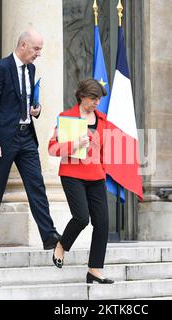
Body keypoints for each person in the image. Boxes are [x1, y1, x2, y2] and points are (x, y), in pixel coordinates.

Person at [0, 29, 61, 251]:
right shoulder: (1, 68)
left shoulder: (31, 69)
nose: (38, 54)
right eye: (36, 49)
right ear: (23, 45)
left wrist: (36, 109)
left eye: (40, 49)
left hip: (26, 137)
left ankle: (49, 236)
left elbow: (24, 100)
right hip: (3, 140)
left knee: (37, 186)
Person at [48, 79, 114, 284]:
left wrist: (103, 169)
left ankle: (94, 270)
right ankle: (61, 245)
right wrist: (74, 143)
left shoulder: (102, 120)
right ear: (82, 96)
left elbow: (104, 150)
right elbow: (52, 149)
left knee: (102, 223)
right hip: (72, 175)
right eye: (93, 98)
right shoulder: (66, 117)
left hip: (96, 176)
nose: (97, 103)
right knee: (82, 218)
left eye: (99, 99)